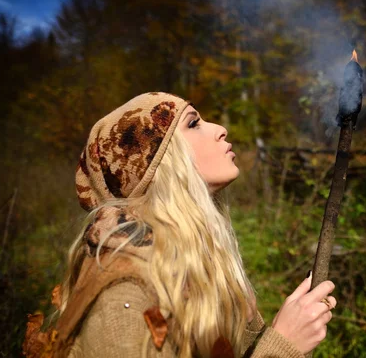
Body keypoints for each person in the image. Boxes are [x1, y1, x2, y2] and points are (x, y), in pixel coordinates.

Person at [49, 92, 337, 358]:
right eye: (194, 123)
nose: (219, 129)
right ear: (156, 162)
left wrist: (264, 327)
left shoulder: (187, 265)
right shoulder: (124, 296)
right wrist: (283, 345)